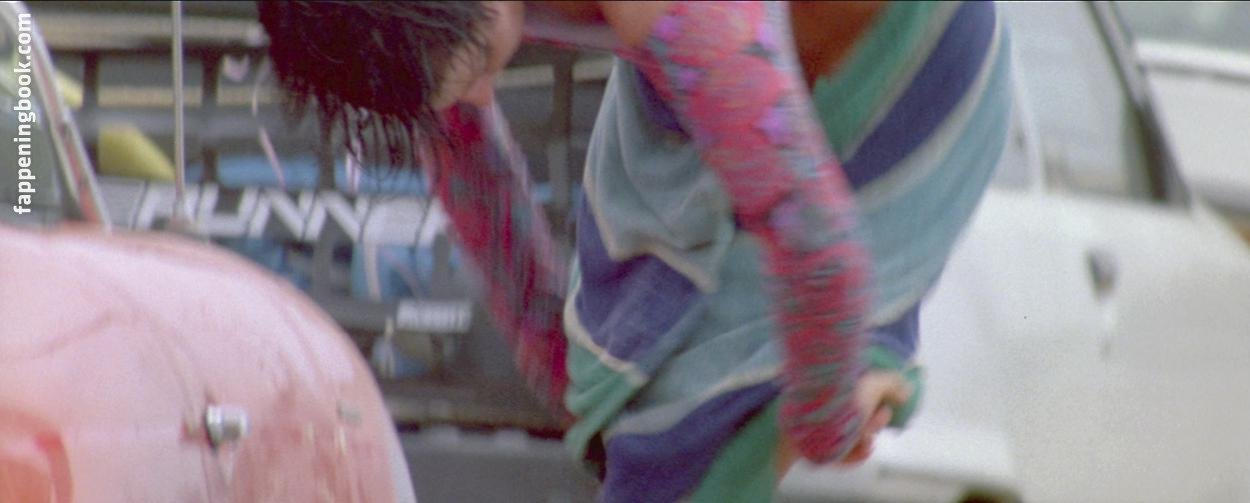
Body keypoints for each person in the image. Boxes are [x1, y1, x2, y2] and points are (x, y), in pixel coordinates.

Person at [257, 1, 1010, 501]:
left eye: (480, 64)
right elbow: (481, 191)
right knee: (633, 401)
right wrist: (559, 365)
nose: (482, 95)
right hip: (750, 77)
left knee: (684, 434)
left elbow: (817, 245)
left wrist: (826, 421)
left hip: (913, 71)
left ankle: (857, 369)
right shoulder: (430, 25)